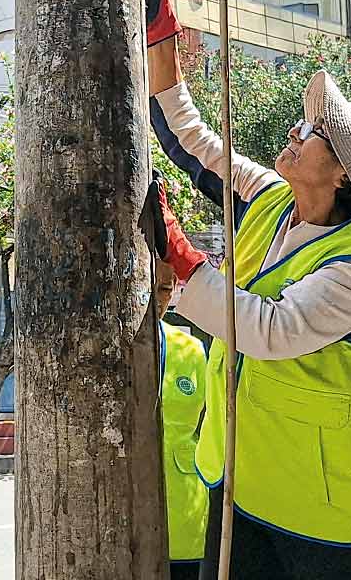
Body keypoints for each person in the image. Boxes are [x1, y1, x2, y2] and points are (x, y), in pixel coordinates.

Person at [143, 0, 351, 580]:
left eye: (315, 133)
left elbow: (267, 330)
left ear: (343, 173)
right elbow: (189, 136)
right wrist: (160, 30)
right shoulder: (269, 197)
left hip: (325, 512)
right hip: (241, 479)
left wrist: (177, 252)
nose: (297, 132)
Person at [150, 246, 210, 580]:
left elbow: (210, 422)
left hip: (185, 511)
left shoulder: (191, 349)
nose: (157, 299)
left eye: (165, 288)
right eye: (151, 286)